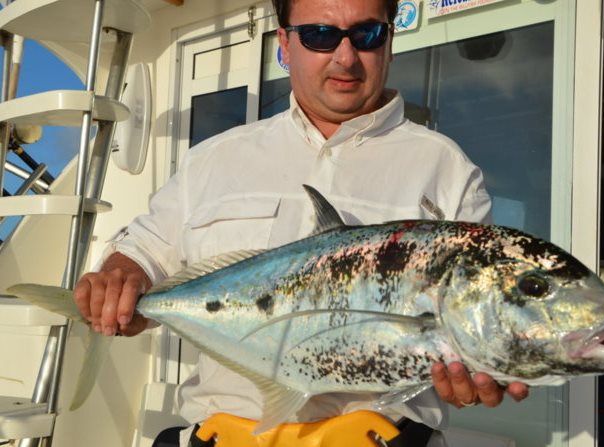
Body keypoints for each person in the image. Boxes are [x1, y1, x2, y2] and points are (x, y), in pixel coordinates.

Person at [73, 0, 529, 445]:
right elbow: (143, 255)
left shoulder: (447, 169)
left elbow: (469, 319)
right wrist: (120, 282)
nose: (346, 57)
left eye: (367, 34)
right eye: (319, 35)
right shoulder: (213, 160)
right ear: (285, 45)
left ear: (389, 41)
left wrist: (472, 372)